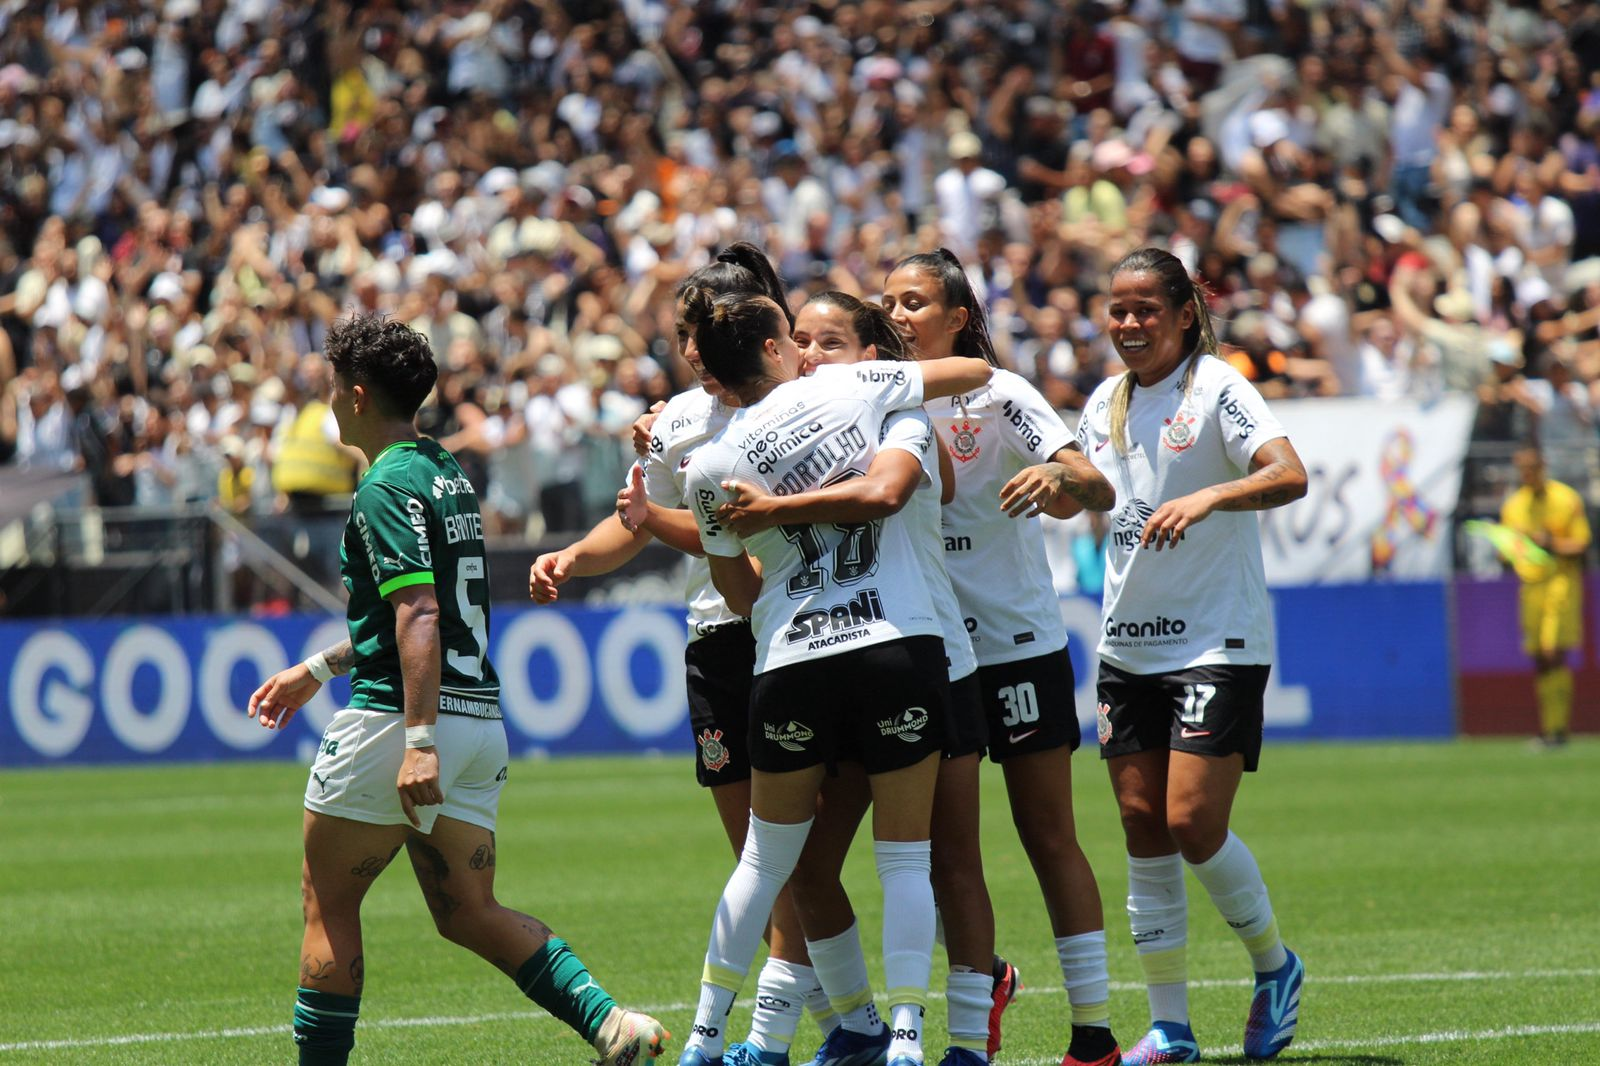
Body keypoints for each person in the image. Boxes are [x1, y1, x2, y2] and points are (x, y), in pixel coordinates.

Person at [245, 313, 668, 1066]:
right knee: (469, 910)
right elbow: (408, 614)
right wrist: (315, 671)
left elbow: (418, 614)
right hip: (476, 719)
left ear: (358, 395)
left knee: (328, 902)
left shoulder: (383, 487)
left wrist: (415, 742)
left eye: (332, 388)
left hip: (402, 724)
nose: (328, 402)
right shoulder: (444, 471)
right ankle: (611, 1023)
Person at [530, 244, 855, 1066]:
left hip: (801, 634)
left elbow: (674, 523)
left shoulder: (808, 400)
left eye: (700, 330)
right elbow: (638, 516)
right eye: (683, 333)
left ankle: (785, 1034)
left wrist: (647, 524)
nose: (688, 347)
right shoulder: (675, 422)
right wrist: (575, 554)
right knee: (762, 857)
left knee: (799, 856)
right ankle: (847, 1029)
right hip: (717, 644)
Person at [676, 287, 995, 1066]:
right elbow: (973, 373)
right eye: (796, 337)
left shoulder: (708, 466)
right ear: (775, 351)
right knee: (906, 860)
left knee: (763, 861)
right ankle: (908, 1038)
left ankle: (706, 1037)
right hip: (897, 642)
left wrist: (784, 589)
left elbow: (735, 589)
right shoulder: (858, 389)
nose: (809, 351)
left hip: (790, 658)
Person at [882, 250, 1124, 1066]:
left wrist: (1059, 483)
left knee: (1047, 833)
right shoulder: (875, 399)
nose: (899, 314)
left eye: (914, 301)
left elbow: (1097, 486)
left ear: (958, 316)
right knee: (948, 852)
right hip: (931, 653)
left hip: (1018, 646)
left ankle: (1093, 1032)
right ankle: (976, 1013)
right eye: (889, 303)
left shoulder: (1003, 395)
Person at [1076, 248, 1309, 1064]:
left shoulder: (1217, 387)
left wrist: (1212, 493)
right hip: (1125, 643)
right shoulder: (1103, 401)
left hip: (1217, 637)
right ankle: (1170, 1027)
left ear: (1183, 313)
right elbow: (1101, 497)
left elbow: (1289, 474)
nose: (1129, 324)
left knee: (1189, 819)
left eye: (1146, 309)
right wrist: (1061, 485)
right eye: (1118, 309)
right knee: (1142, 825)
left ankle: (1275, 966)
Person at [1500, 446, 1591, 748]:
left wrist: (1548, 542)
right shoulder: (1513, 506)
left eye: (1531, 469)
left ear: (1542, 467)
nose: (1527, 475)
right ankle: (1548, 729)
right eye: (1522, 470)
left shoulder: (1565, 499)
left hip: (1561, 582)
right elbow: (1508, 549)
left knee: (1555, 652)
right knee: (1539, 656)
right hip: (1530, 586)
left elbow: (1580, 545)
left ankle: (1559, 730)